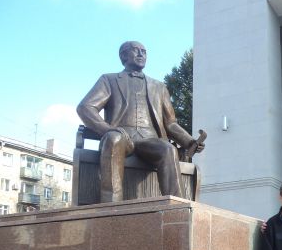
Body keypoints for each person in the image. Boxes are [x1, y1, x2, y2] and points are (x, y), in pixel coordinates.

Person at [77, 41, 204, 203]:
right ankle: (111, 205)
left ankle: (177, 206)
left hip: (150, 140)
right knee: (114, 139)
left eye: (144, 52)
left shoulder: (159, 87)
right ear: (123, 56)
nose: (141, 54)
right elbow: (85, 107)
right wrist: (107, 129)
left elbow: (170, 123)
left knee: (168, 148)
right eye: (136, 50)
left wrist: (189, 141)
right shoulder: (109, 80)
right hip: (122, 137)